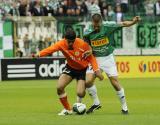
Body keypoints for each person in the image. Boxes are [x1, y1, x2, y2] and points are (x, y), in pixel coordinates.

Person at [82, 13, 141, 114]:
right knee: (87, 82)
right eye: (94, 25)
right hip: (95, 60)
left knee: (115, 83)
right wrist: (90, 49)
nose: (96, 27)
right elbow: (86, 41)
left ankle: (124, 107)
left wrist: (133, 22)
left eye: (98, 25)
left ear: (101, 22)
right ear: (92, 22)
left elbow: (123, 23)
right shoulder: (87, 31)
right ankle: (96, 103)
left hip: (108, 59)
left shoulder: (108, 26)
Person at [36, 29, 104, 115]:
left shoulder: (82, 44)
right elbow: (50, 49)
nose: (71, 43)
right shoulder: (61, 44)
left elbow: (91, 58)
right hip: (70, 68)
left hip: (82, 70)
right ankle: (68, 109)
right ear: (65, 39)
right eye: (69, 41)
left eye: (73, 41)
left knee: (80, 93)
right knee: (59, 87)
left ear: (75, 39)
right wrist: (38, 54)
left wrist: (96, 70)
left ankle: (83, 91)